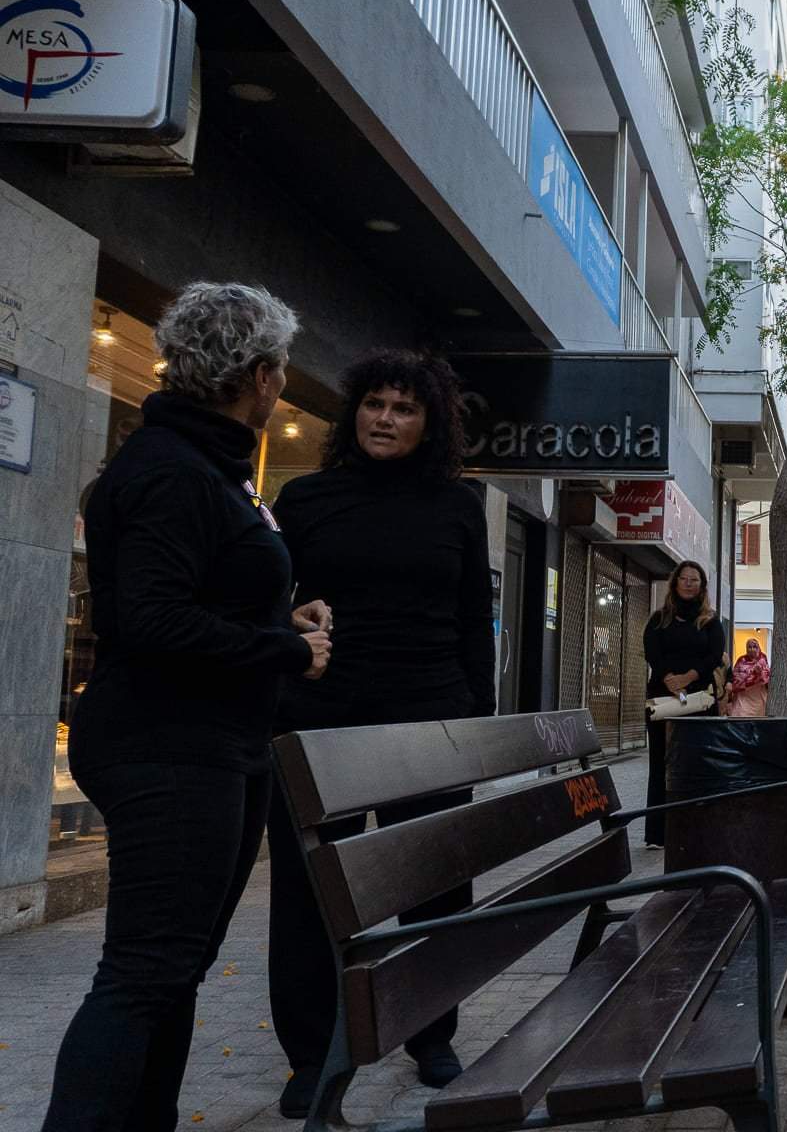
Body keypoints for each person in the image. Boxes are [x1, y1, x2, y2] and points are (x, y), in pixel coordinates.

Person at [44, 283, 331, 1131]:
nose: (282, 380)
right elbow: (151, 621)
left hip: (219, 740)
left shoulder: (209, 466)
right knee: (144, 973)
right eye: (281, 366)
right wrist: (286, 649)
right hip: (166, 744)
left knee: (175, 970)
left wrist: (277, 623)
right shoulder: (171, 470)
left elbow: (193, 597)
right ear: (262, 376)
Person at [267, 349, 493, 1108]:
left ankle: (431, 1034)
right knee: (309, 893)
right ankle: (311, 1055)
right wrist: (287, 624)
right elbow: (264, 605)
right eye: (373, 404)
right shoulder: (305, 499)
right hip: (318, 722)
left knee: (433, 885)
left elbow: (474, 620)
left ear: (430, 424)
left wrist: (475, 724)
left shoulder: (459, 506)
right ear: (352, 412)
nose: (385, 419)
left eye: (404, 408)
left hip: (428, 723)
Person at [642, 561, 729, 845]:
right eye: (684, 578)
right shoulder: (659, 619)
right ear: (675, 582)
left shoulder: (710, 621)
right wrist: (669, 678)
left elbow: (714, 655)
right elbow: (652, 652)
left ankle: (697, 829)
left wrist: (688, 677)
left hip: (699, 698)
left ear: (702, 586)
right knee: (661, 764)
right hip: (662, 697)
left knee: (698, 763)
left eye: (695, 580)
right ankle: (658, 833)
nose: (689, 584)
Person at [728, 639, 771, 716]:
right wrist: (752, 673)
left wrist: (758, 673)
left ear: (758, 648)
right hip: (743, 697)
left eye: (754, 647)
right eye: (749, 647)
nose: (752, 649)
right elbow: (736, 678)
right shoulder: (741, 660)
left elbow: (766, 677)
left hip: (758, 698)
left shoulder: (762, 659)